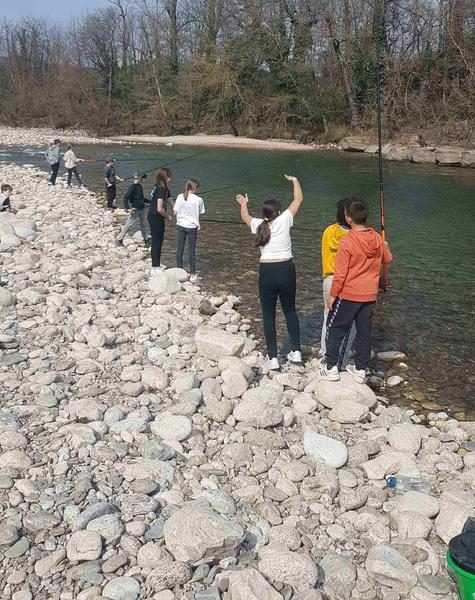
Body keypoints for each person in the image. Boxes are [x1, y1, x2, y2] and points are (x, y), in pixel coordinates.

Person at [319, 198, 393, 383]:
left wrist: (333, 296)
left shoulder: (348, 241)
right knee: (364, 332)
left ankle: (331, 368)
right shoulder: (376, 237)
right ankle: (361, 369)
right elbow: (388, 259)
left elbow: (341, 274)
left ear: (348, 218)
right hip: (369, 295)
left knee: (335, 329)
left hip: (348, 293)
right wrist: (384, 246)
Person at [236, 175, 303, 371]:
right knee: (290, 311)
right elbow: (298, 199)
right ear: (279, 211)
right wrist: (295, 180)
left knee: (268, 315)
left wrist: (244, 203)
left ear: (264, 213)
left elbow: (244, 218)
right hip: (286, 269)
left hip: (267, 271)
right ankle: (296, 352)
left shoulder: (259, 225)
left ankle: (273, 357)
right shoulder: (284, 220)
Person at [320, 197, 356, 369]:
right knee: (350, 323)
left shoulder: (328, 231)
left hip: (328, 280)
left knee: (329, 317)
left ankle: (325, 352)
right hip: (347, 282)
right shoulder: (356, 237)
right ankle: (342, 360)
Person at [174, 179, 205, 282]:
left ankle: (179, 270)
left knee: (180, 249)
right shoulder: (199, 199)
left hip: (180, 225)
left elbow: (175, 211)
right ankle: (193, 274)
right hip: (192, 227)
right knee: (191, 251)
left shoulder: (179, 196)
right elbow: (201, 213)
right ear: (195, 187)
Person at [148, 167, 174, 275]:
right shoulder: (160, 189)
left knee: (160, 240)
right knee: (156, 242)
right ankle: (155, 267)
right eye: (169, 177)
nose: (170, 179)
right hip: (155, 217)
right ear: (164, 177)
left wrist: (176, 210)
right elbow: (159, 208)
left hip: (157, 217)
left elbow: (169, 199)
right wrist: (168, 216)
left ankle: (157, 263)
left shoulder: (164, 188)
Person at [116, 172, 151, 247]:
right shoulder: (132, 187)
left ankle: (146, 239)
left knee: (143, 224)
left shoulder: (140, 186)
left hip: (141, 208)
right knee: (128, 224)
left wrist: (150, 201)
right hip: (135, 209)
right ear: (138, 178)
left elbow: (142, 198)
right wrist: (127, 208)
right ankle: (120, 239)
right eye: (142, 178)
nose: (143, 180)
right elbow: (126, 197)